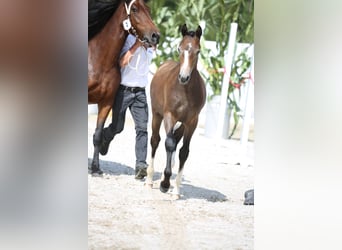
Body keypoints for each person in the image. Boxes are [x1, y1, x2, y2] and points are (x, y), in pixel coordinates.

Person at [99, 34, 154, 180]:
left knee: (142, 129)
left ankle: (141, 165)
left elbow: (148, 59)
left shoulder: (150, 43)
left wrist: (149, 46)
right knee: (118, 127)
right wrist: (136, 45)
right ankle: (105, 136)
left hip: (140, 93)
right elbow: (121, 62)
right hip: (124, 91)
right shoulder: (128, 39)